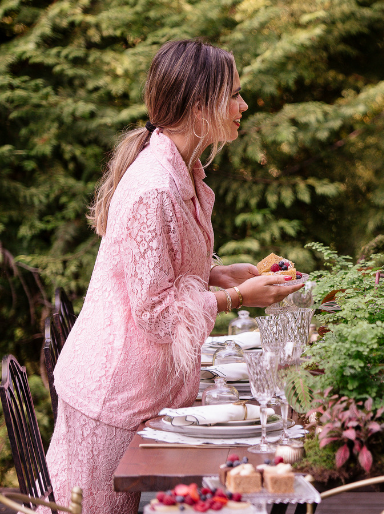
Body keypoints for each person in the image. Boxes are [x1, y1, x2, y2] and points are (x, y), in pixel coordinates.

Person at [46, 39, 304, 513]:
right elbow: (156, 312)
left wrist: (218, 274)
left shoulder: (184, 172)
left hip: (140, 387)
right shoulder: (155, 188)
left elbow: (158, 267)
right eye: (234, 95)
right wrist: (238, 300)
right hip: (112, 395)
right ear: (198, 104)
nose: (243, 106)